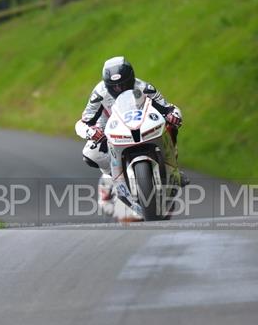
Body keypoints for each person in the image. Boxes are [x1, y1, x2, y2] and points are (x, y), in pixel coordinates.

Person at [74, 56, 187, 215]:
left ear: (131, 79)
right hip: (109, 129)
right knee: (90, 154)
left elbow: (167, 108)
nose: (119, 88)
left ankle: (173, 165)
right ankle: (114, 178)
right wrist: (91, 132)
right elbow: (83, 121)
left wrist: (174, 115)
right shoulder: (99, 93)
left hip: (142, 124)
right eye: (114, 86)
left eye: (124, 84)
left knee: (170, 125)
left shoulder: (144, 87)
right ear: (107, 85)